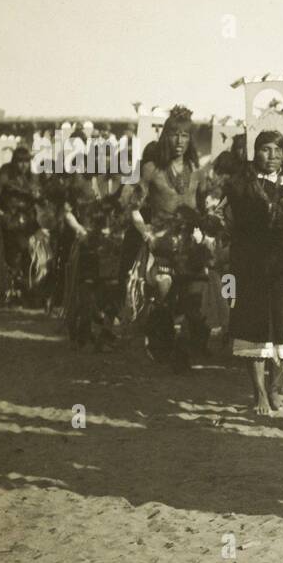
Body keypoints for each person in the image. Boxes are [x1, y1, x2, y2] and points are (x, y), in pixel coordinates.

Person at [223, 130, 283, 415]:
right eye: (265, 149)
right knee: (253, 325)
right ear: (254, 152)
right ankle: (258, 392)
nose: (272, 156)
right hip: (249, 264)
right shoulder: (238, 184)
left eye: (277, 150)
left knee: (281, 323)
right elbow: (222, 215)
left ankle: (275, 390)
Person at [123, 105, 214, 368]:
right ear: (165, 137)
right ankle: (159, 342)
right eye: (174, 135)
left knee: (195, 299)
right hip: (160, 244)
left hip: (190, 246)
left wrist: (205, 232)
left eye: (185, 136)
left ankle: (184, 348)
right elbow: (134, 208)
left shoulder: (196, 171)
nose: (179, 141)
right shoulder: (151, 169)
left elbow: (203, 207)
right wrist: (147, 233)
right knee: (163, 287)